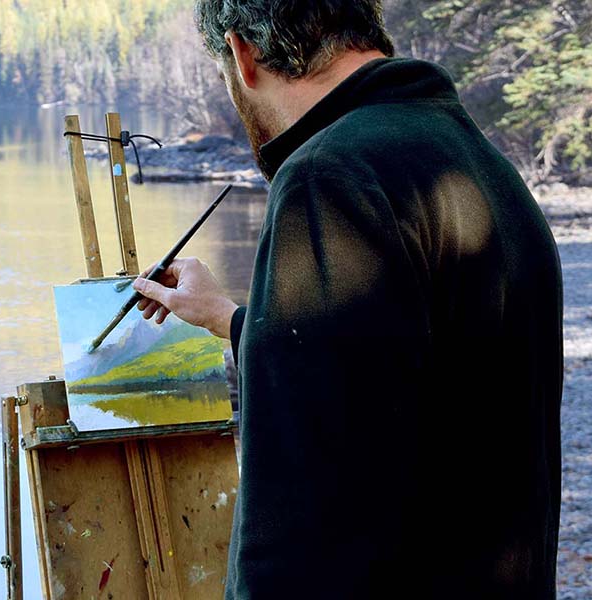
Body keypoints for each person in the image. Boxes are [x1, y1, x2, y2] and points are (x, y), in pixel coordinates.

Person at [130, 1, 564, 598]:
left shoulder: (329, 177)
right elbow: (396, 373)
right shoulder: (472, 157)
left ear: (243, 54)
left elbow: (303, 513)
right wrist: (234, 322)